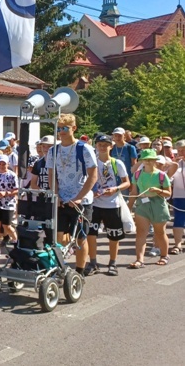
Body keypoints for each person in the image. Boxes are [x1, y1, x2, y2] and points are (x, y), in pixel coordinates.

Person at [46, 114, 98, 276]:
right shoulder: (53, 150)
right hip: (62, 199)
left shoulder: (84, 148)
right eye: (58, 128)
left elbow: (93, 176)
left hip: (81, 200)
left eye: (64, 128)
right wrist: (56, 195)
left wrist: (79, 197)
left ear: (73, 128)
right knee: (59, 236)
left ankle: (80, 271)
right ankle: (60, 268)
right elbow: (51, 175)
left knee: (80, 237)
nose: (61, 132)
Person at [86, 135, 131, 276]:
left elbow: (127, 182)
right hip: (94, 204)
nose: (103, 147)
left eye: (106, 144)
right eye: (100, 144)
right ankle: (93, 262)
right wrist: (91, 192)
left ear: (111, 146)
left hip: (112, 204)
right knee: (91, 234)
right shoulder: (91, 162)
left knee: (113, 235)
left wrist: (115, 189)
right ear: (96, 146)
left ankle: (112, 262)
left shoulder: (117, 163)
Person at [127, 149, 172, 268]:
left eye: (150, 159)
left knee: (160, 232)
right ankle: (139, 260)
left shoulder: (162, 175)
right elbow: (134, 192)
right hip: (142, 204)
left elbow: (168, 193)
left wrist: (158, 190)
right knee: (141, 232)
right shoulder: (137, 174)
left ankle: (164, 255)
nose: (147, 162)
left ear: (155, 161)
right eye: (145, 159)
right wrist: (129, 208)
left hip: (158, 204)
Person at [170, 140, 185, 254]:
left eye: (183, 150)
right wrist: (173, 165)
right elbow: (168, 179)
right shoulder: (175, 164)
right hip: (179, 196)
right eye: (179, 150)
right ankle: (177, 245)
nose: (181, 152)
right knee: (178, 219)